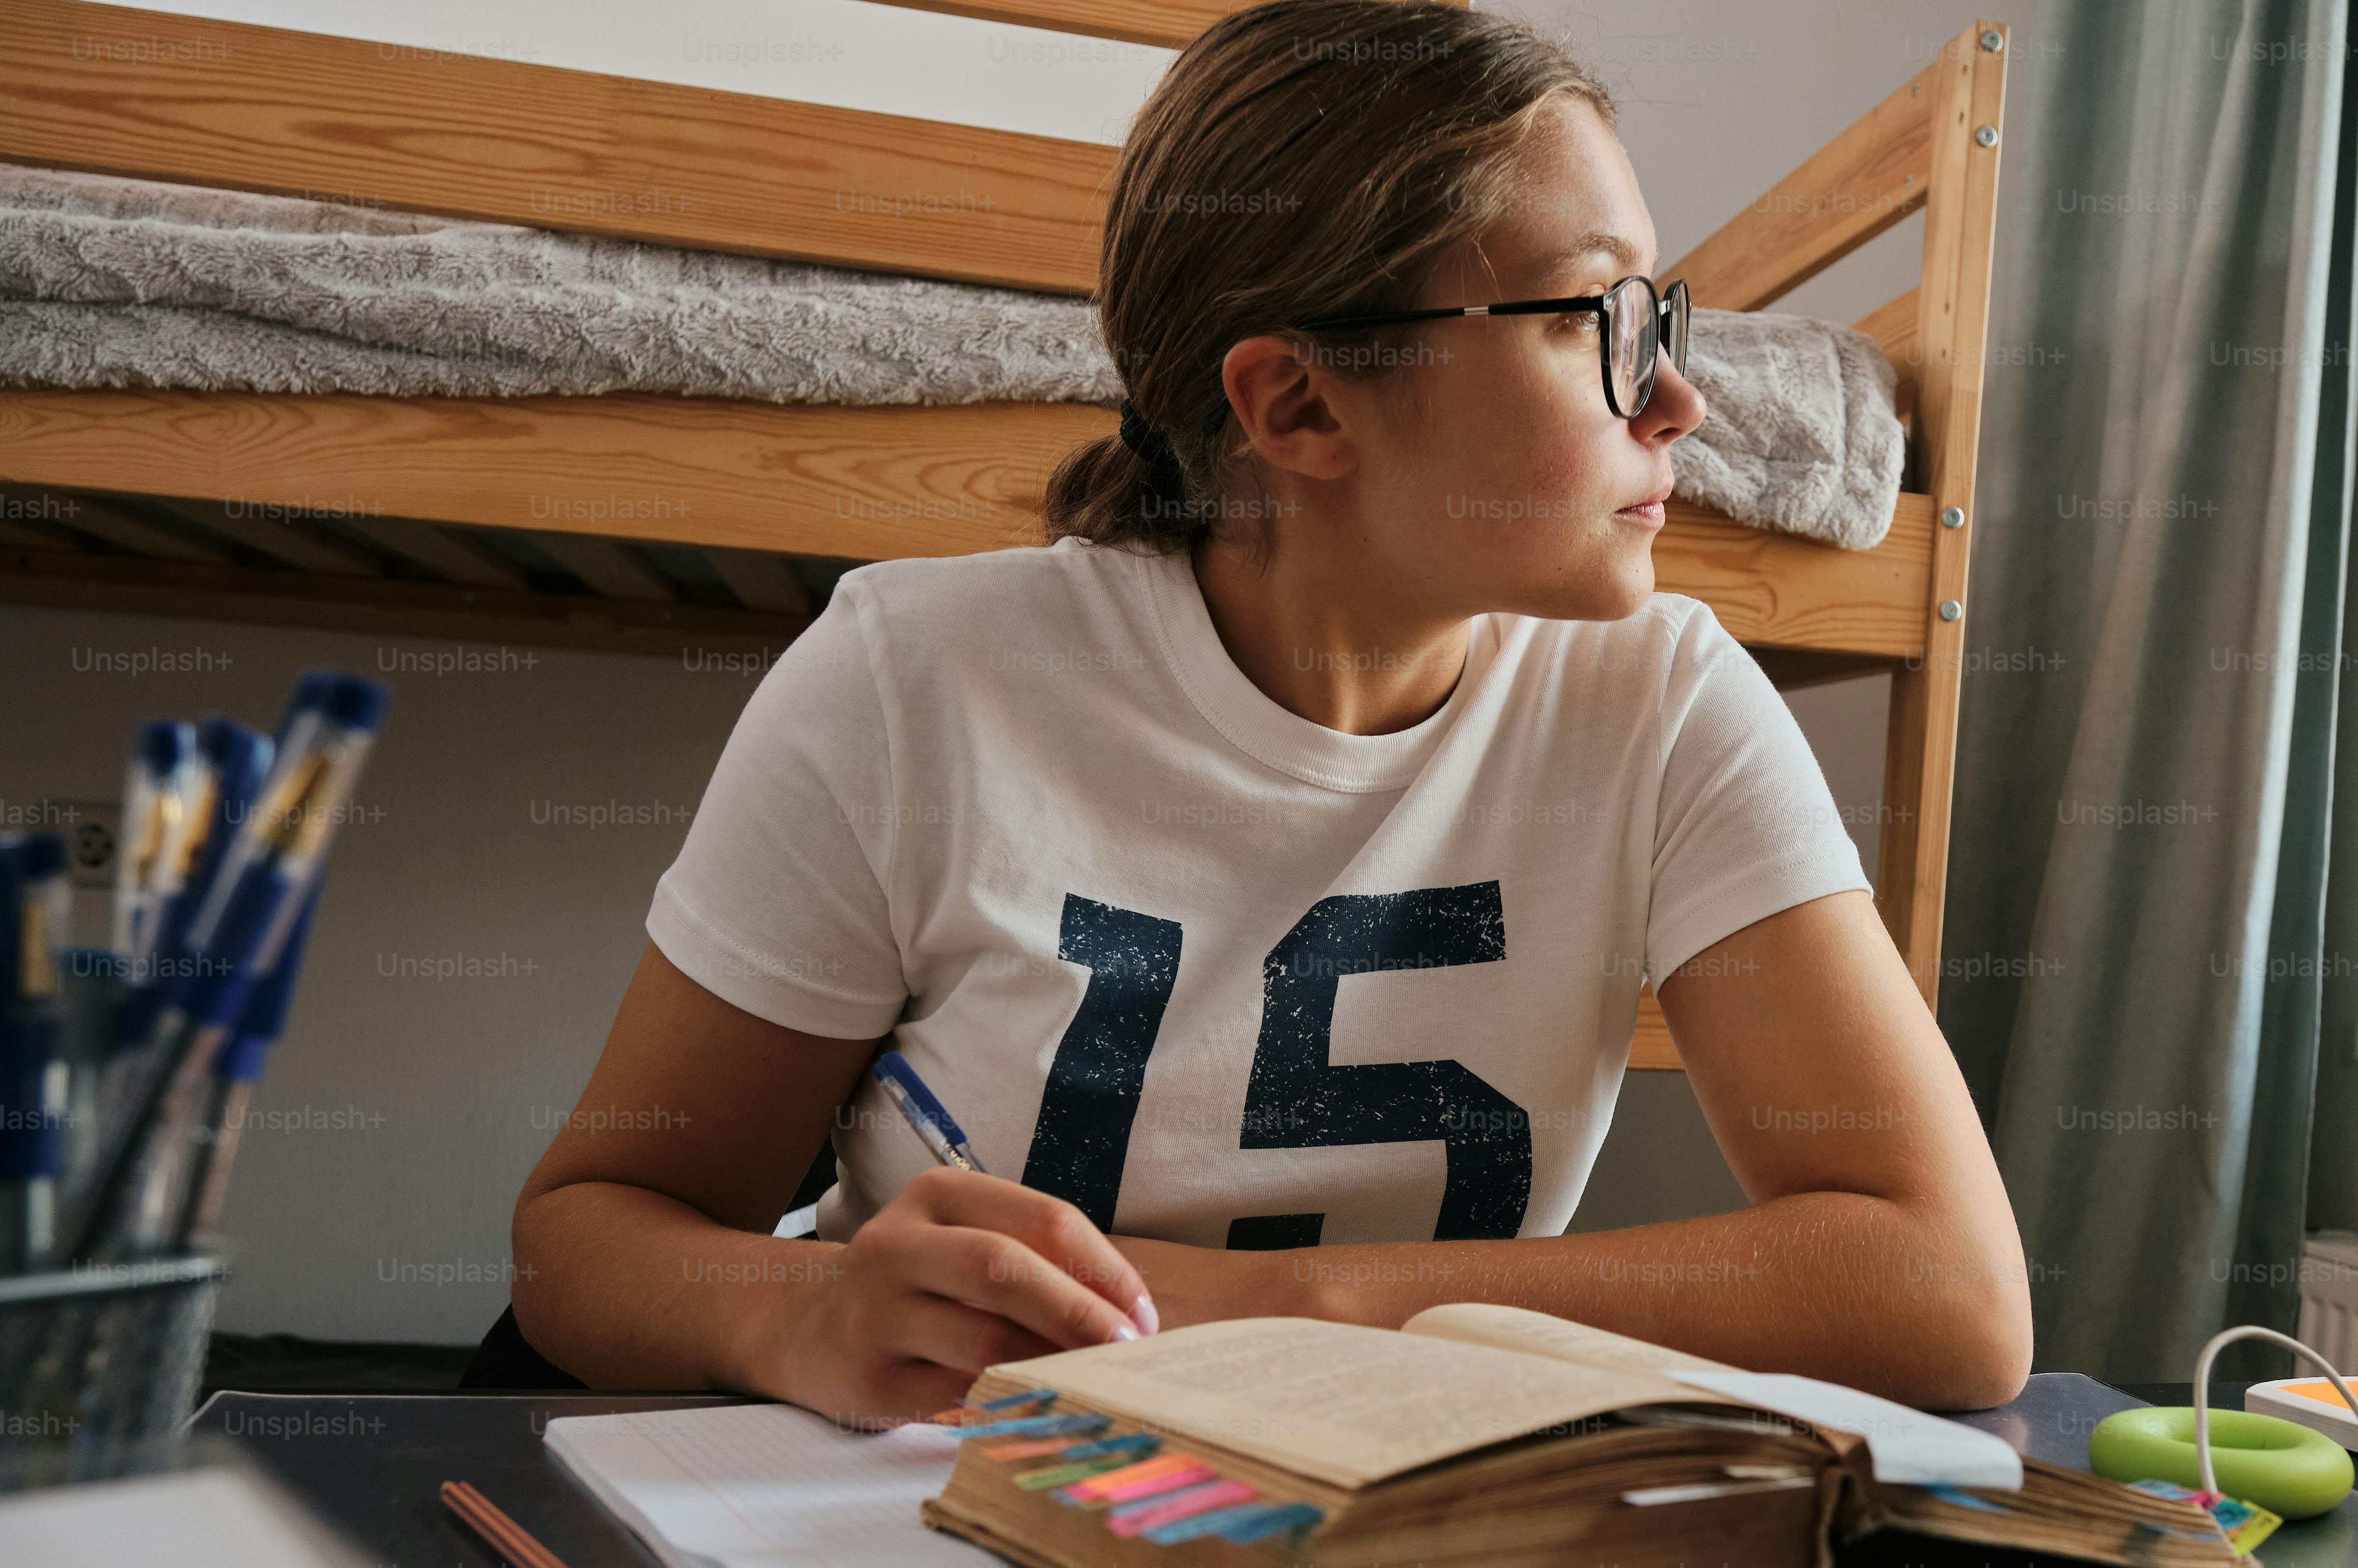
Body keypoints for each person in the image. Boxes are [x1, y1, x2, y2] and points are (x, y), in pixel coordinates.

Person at [510, 0, 2031, 1424]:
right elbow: (585, 1245)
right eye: (1591, 318)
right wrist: (805, 1311)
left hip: (1372, 1513)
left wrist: (1278, 1306)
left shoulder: (1666, 704)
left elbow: (1951, 1294)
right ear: (1300, 407)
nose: (1680, 400)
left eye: (1659, 311)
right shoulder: (914, 681)